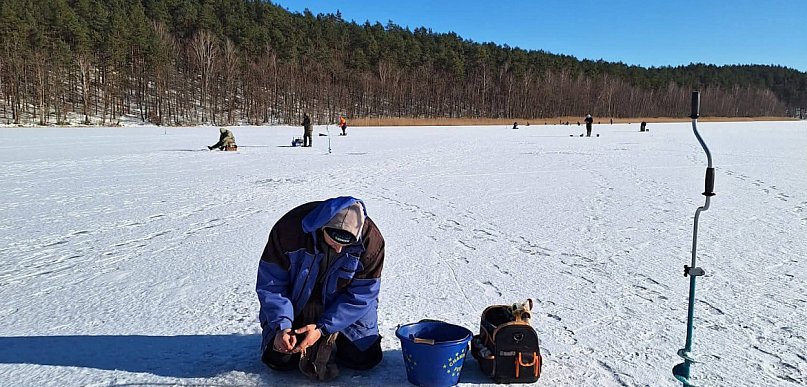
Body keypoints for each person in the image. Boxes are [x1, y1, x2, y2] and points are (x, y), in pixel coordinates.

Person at [256, 196, 385, 379]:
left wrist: (322, 329)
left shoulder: (371, 242)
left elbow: (362, 295)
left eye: (346, 244)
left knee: (364, 359)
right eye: (334, 241)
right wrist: (282, 325)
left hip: (343, 307)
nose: (339, 249)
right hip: (296, 303)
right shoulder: (287, 231)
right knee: (279, 359)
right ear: (322, 227)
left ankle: (332, 339)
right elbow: (272, 286)